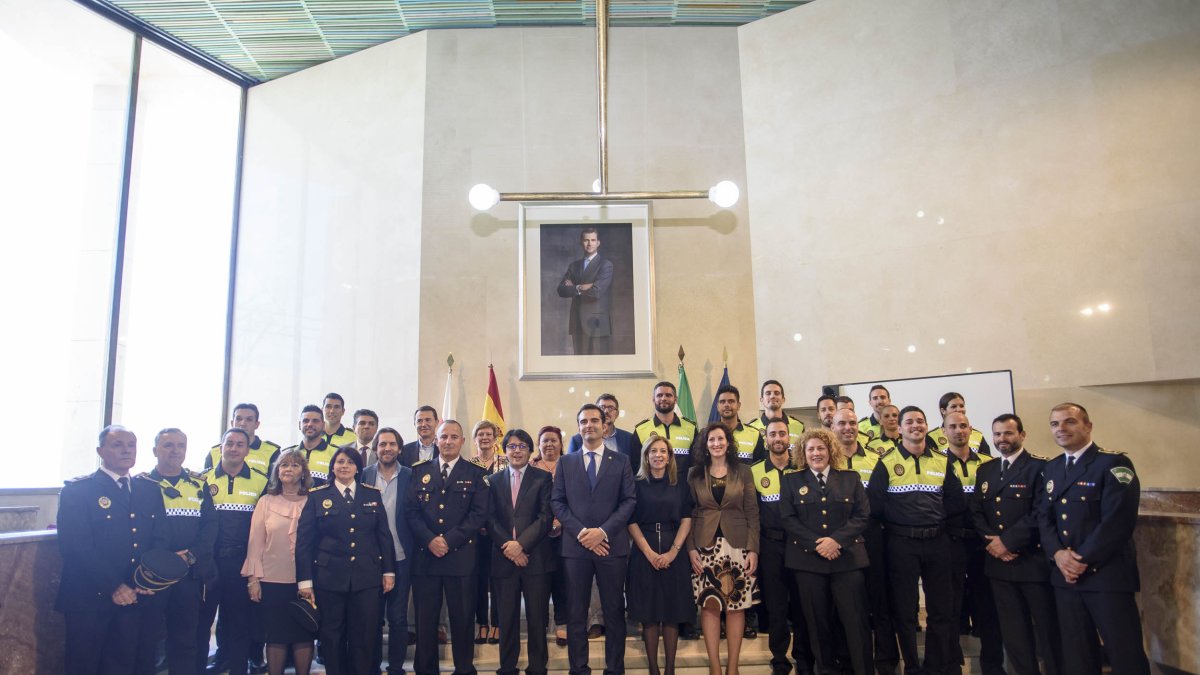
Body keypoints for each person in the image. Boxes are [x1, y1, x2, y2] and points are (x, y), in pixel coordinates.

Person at [1037, 403, 1150, 675]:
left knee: (1124, 653)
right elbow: (1044, 517)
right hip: (1066, 578)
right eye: (1055, 424)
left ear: (1088, 426)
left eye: (1070, 422)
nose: (1061, 429)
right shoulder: (1052, 469)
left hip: (1106, 576)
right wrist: (1058, 555)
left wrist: (1081, 559)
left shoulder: (1112, 464)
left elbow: (1117, 522)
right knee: (1078, 656)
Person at [57, 425, 168, 675]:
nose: (126, 450)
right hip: (89, 597)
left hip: (134, 595)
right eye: (118, 445)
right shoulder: (79, 491)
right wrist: (115, 586)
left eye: (131, 445)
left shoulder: (148, 489)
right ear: (100, 451)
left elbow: (159, 538)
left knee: (122, 664)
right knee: (84, 664)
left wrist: (146, 579)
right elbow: (75, 546)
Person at [866, 407, 964, 675]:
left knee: (941, 610)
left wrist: (935, 517)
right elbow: (875, 504)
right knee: (905, 612)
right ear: (899, 426)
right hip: (901, 544)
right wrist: (902, 518)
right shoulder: (886, 462)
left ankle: (936, 666)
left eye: (920, 421)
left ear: (927, 425)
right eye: (909, 422)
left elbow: (956, 501)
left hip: (937, 542)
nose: (915, 426)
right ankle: (912, 666)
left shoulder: (942, 462)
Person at [970, 414, 1062, 675]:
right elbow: (977, 511)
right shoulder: (985, 470)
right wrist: (995, 545)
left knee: (1047, 632)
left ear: (1022, 435)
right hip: (999, 567)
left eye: (1008, 433)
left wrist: (1008, 543)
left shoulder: (1040, 468)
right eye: (997, 434)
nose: (1002, 439)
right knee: (1014, 635)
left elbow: (1041, 512)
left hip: (1031, 562)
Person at [551, 403, 638, 675]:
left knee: (613, 612)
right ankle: (579, 669)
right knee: (577, 614)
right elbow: (558, 502)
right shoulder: (566, 462)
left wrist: (602, 532)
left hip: (611, 547)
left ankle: (615, 669)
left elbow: (628, 501)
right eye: (583, 421)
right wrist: (581, 533)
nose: (589, 425)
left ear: (605, 424)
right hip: (575, 549)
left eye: (594, 420)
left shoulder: (621, 460)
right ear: (578, 427)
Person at [779, 429, 872, 675]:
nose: (816, 453)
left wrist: (836, 541)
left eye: (821, 448)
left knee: (855, 623)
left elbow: (862, 516)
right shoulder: (791, 480)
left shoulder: (850, 478)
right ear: (803, 453)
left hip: (847, 561)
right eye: (810, 449)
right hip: (808, 563)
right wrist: (819, 544)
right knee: (817, 625)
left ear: (831, 451)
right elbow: (788, 519)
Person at [297, 446, 396, 675]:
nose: (344, 466)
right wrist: (304, 581)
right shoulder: (318, 496)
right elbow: (304, 542)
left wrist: (388, 571)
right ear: (333, 466)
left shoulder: (371, 494)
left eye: (350, 462)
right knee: (332, 634)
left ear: (357, 468)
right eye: (340, 462)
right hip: (329, 578)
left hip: (366, 577)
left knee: (364, 634)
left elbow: (383, 535)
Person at [405, 420, 489, 675]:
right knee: (426, 621)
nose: (449, 441)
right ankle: (425, 669)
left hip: (461, 558)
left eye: (454, 437)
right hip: (426, 558)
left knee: (462, 620)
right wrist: (430, 539)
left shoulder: (475, 473)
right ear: (436, 440)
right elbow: (410, 512)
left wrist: (448, 540)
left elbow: (479, 514)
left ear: (463, 441)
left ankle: (464, 668)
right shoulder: (418, 471)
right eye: (444, 437)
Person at [686, 423, 760, 675]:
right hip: (704, 546)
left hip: (737, 546)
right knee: (710, 606)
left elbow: (752, 512)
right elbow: (690, 513)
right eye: (711, 439)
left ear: (728, 442)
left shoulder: (744, 472)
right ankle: (715, 667)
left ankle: (733, 667)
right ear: (705, 444)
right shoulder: (695, 473)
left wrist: (753, 549)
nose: (716, 443)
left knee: (736, 606)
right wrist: (690, 549)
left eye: (720, 439)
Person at [831, 409, 899, 675]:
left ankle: (886, 662)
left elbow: (881, 501)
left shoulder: (875, 459)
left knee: (879, 602)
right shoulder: (827, 461)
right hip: (837, 542)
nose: (848, 428)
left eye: (851, 423)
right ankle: (846, 660)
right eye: (842, 423)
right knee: (844, 606)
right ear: (832, 427)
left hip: (871, 538)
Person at [197, 428, 269, 675]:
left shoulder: (261, 481)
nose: (234, 448)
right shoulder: (202, 480)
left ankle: (237, 669)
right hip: (209, 563)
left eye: (240, 444)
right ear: (221, 447)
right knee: (202, 623)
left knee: (239, 624)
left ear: (247, 450)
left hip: (241, 563)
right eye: (230, 443)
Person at [145, 428, 217, 675]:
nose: (175, 451)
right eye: (168, 445)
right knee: (148, 640)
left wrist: (189, 557)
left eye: (180, 445)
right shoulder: (142, 484)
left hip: (188, 575)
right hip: (152, 578)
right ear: (155, 450)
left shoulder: (198, 484)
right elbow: (138, 533)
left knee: (185, 640)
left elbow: (209, 527)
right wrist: (163, 562)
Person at [487, 429, 556, 675]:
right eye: (512, 446)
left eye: (522, 446)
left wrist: (521, 545)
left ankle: (538, 667)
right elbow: (489, 519)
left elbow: (545, 517)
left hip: (535, 559)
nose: (517, 451)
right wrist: (510, 547)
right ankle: (507, 666)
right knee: (507, 618)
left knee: (537, 618)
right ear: (504, 451)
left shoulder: (542, 478)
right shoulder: (493, 481)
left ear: (530, 450)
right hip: (504, 559)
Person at [941, 412, 1005, 675]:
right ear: (944, 432)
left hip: (983, 545)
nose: (959, 431)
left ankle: (992, 664)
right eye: (952, 427)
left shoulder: (990, 464)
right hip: (952, 542)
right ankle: (952, 662)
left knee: (988, 606)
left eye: (963, 426)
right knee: (951, 606)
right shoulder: (936, 463)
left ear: (971, 429)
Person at [748, 419, 813, 675]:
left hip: (800, 546)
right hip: (770, 545)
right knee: (776, 605)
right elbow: (752, 514)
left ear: (790, 438)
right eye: (773, 434)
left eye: (782, 434)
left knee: (801, 603)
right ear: (766, 439)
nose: (778, 438)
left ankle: (804, 657)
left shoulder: (802, 469)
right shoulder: (754, 471)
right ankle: (779, 659)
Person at [242, 449, 315, 675]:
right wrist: (253, 580)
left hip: (305, 581)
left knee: (303, 634)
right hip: (272, 579)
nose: (288, 469)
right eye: (284, 465)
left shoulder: (314, 500)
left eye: (294, 465)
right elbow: (255, 543)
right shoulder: (265, 501)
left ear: (303, 472)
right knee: (276, 635)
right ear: (277, 471)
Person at [627, 433, 695, 675]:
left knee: (672, 612)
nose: (658, 455)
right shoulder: (635, 484)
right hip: (644, 552)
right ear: (646, 456)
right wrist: (648, 552)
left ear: (669, 457)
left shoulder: (680, 484)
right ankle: (654, 669)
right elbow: (630, 521)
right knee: (649, 612)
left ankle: (670, 669)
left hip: (673, 550)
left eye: (662, 451)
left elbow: (687, 519)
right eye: (653, 451)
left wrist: (673, 552)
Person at [361, 428, 415, 675]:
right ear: (375, 449)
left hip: (401, 556)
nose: (387, 448)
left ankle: (395, 668)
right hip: (371, 559)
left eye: (392, 444)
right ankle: (372, 666)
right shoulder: (364, 476)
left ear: (400, 449)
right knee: (371, 619)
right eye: (382, 444)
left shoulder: (411, 476)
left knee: (398, 618)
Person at [469, 419, 507, 644]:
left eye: (488, 434)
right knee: (479, 580)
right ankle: (482, 623)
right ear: (474, 439)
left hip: (499, 531)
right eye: (480, 434)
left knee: (498, 579)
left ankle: (498, 623)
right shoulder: (468, 464)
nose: (484, 438)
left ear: (495, 439)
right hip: (475, 533)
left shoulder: (505, 461)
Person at [532, 425, 570, 646]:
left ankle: (562, 624)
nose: (549, 444)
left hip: (566, 532)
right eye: (545, 440)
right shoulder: (531, 466)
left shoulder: (569, 465)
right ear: (538, 444)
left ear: (560, 443)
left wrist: (561, 522)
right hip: (538, 535)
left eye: (553, 440)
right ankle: (541, 623)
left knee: (562, 579)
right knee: (540, 580)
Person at [555, 226, 614, 355]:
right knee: (579, 365)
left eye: (593, 240)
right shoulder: (574, 266)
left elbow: (596, 292)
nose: (589, 243)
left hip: (597, 323)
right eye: (586, 240)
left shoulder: (605, 265)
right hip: (577, 322)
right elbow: (561, 290)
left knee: (598, 366)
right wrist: (581, 287)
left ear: (598, 243)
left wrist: (574, 286)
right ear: (581, 242)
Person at [632, 381, 698, 476]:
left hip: (683, 488)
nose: (663, 398)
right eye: (659, 395)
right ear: (653, 399)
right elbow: (635, 465)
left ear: (675, 399)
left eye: (668, 395)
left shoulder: (690, 428)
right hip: (651, 488)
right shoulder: (641, 430)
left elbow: (696, 463)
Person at [204, 403, 281, 477]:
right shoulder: (214, 452)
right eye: (239, 419)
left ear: (257, 424)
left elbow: (275, 485)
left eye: (249, 420)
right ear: (232, 423)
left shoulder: (272, 452)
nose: (243, 423)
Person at [567, 393, 636, 465]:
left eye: (610, 408)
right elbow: (570, 467)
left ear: (617, 414)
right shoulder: (577, 440)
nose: (606, 411)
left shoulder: (629, 438)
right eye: (602, 407)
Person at [282, 405, 337, 485]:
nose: (310, 424)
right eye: (305, 421)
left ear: (323, 425)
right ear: (299, 425)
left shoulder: (336, 453)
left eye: (315, 421)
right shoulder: (287, 454)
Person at [714, 384, 766, 466]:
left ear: (738, 406)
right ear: (717, 406)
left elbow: (760, 467)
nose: (726, 405)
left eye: (731, 401)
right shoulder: (707, 435)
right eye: (722, 402)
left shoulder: (754, 434)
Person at [927, 392, 992, 456]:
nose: (959, 409)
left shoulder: (978, 435)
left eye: (961, 406)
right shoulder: (932, 436)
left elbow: (988, 462)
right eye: (953, 406)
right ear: (943, 411)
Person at [746, 380, 805, 448]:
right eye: (768, 393)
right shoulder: (751, 428)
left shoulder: (798, 426)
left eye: (777, 393)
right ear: (761, 399)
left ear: (783, 399)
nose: (772, 396)